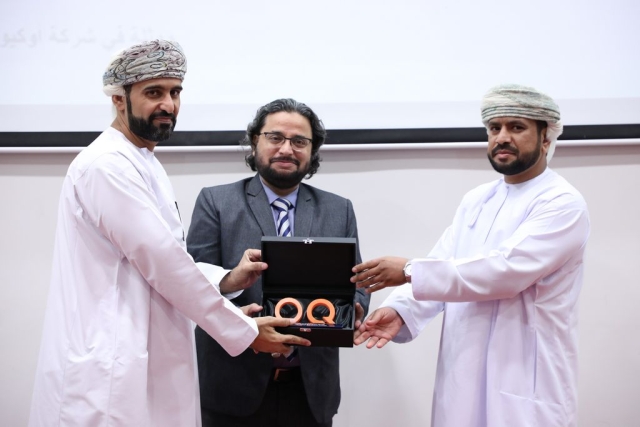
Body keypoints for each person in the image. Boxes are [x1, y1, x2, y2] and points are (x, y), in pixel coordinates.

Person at [28, 40, 309, 427]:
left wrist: (227, 280)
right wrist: (243, 331)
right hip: (109, 365)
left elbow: (168, 257)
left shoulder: (142, 161)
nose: (169, 104)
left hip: (142, 353)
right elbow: (163, 263)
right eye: (153, 93)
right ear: (119, 99)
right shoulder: (106, 166)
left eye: (175, 92)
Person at [351, 84, 590, 427]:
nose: (502, 138)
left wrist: (408, 270)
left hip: (524, 378)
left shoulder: (562, 202)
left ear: (545, 137)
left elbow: (505, 272)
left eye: (516, 127)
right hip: (462, 374)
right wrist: (400, 310)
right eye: (494, 128)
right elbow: (443, 263)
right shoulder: (477, 200)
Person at [187, 98, 370, 427]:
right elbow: (192, 287)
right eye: (275, 138)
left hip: (310, 393)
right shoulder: (216, 202)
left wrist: (354, 309)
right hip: (232, 389)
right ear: (254, 141)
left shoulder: (338, 209)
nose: (287, 149)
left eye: (299, 141)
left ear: (312, 150)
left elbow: (356, 283)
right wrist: (231, 283)